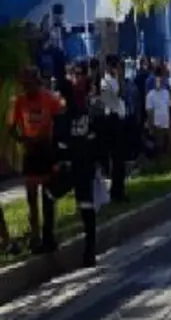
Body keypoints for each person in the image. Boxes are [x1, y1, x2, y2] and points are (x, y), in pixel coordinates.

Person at [9, 67, 64, 253]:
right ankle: (35, 236)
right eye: (23, 84)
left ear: (36, 82)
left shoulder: (49, 98)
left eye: (29, 84)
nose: (26, 88)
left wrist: (52, 142)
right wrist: (23, 139)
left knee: (48, 197)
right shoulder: (19, 102)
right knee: (31, 197)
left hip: (46, 151)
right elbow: (12, 127)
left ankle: (49, 236)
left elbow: (60, 121)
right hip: (30, 153)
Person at [51, 66, 99, 267]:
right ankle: (90, 250)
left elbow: (61, 143)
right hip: (85, 165)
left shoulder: (65, 116)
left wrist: (60, 161)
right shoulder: (85, 111)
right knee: (85, 205)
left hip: (71, 166)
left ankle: (47, 237)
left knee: (49, 195)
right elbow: (94, 137)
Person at [99, 55, 129, 202]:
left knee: (121, 159)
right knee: (116, 159)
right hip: (112, 121)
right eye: (115, 66)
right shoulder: (105, 82)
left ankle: (120, 189)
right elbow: (112, 101)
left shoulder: (116, 81)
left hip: (120, 120)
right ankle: (115, 192)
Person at [144, 77, 171, 158]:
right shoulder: (150, 95)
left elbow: (170, 106)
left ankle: (164, 158)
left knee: (164, 142)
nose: (158, 83)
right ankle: (157, 160)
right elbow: (149, 111)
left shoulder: (166, 93)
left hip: (165, 122)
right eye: (156, 82)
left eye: (160, 81)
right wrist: (151, 124)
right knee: (157, 144)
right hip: (155, 123)